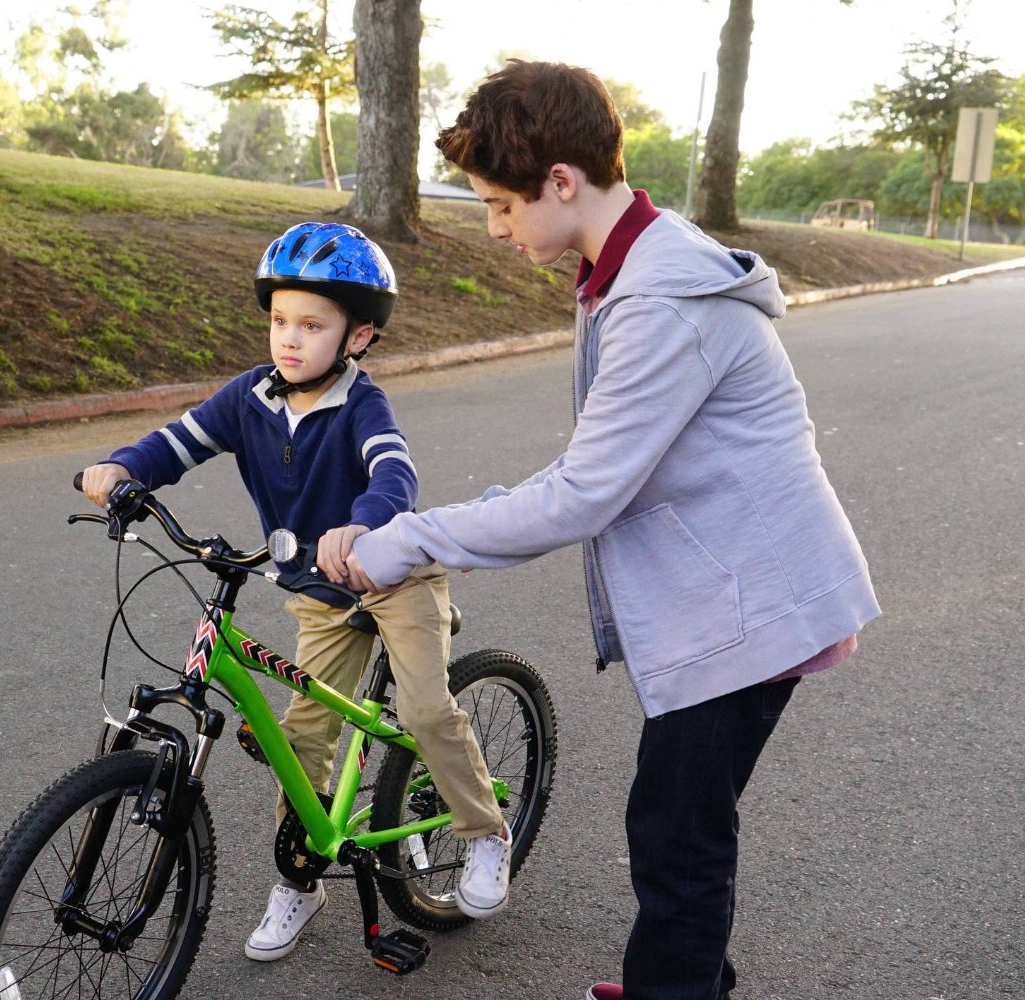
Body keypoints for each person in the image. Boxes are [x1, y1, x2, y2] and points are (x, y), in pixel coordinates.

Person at [346, 62, 881, 1000]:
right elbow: (600, 468)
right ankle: (684, 983)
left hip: (748, 605)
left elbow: (584, 495)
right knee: (681, 818)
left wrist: (407, 538)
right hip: (734, 592)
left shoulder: (657, 297)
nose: (495, 229)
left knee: (679, 835)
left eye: (501, 206)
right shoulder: (626, 268)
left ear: (562, 181)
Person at [80, 221, 513, 964]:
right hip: (315, 589)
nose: (289, 338)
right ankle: (300, 878)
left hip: (388, 576)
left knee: (421, 708)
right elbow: (175, 442)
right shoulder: (248, 396)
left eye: (312, 325)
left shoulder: (362, 405)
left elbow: (393, 475)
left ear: (357, 338)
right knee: (301, 739)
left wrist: (364, 526)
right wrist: (122, 470)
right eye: (280, 320)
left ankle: (483, 834)